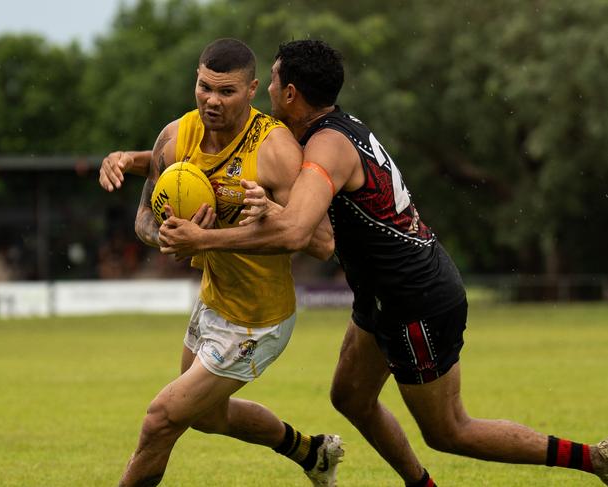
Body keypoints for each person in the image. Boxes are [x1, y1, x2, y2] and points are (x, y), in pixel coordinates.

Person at [148, 40, 608, 486]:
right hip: (383, 294)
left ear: (290, 93)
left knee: (449, 431)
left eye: (269, 81)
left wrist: (205, 238)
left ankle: (595, 459)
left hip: (415, 300)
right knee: (349, 397)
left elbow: (299, 234)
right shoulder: (331, 130)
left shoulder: (325, 149)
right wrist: (133, 160)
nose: (264, 92)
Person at [109, 38, 343, 487]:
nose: (212, 101)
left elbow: (322, 242)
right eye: (204, 87)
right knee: (206, 417)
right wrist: (170, 238)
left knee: (161, 419)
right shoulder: (177, 135)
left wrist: (237, 226)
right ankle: (311, 453)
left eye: (227, 91)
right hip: (214, 300)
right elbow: (143, 217)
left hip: (259, 318)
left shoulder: (274, 148)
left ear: (252, 89)